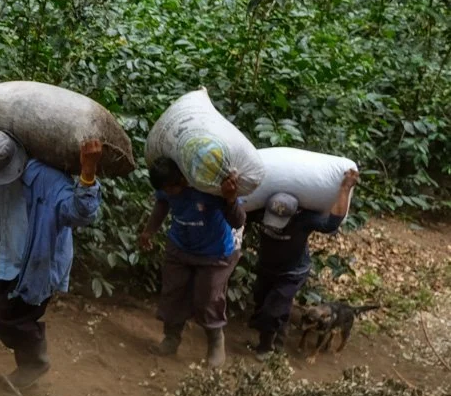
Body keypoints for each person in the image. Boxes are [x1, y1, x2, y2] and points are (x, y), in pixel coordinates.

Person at [0, 131, 104, 391]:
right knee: (9, 316)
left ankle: (35, 364)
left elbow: (80, 214)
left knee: (8, 318)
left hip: (39, 262)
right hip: (11, 258)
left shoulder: (47, 179)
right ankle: (28, 371)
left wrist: (88, 172)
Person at [139, 157, 245, 369]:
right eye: (165, 189)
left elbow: (238, 221)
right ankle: (171, 338)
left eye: (171, 188)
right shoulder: (167, 189)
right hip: (180, 245)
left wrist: (231, 199)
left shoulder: (209, 188)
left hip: (215, 252)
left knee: (208, 298)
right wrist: (149, 231)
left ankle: (216, 341)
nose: (168, 192)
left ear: (183, 180)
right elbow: (162, 203)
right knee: (173, 292)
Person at [246, 169, 359, 355]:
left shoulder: (304, 219)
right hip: (266, 267)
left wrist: (345, 189)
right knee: (262, 303)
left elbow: (332, 223)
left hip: (292, 272)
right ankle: (276, 345)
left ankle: (266, 349)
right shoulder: (260, 211)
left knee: (272, 309)